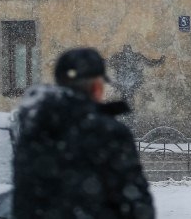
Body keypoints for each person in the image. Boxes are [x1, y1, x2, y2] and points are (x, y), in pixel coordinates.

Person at [11, 47, 154, 219]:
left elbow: (23, 201)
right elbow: (137, 205)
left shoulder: (34, 128)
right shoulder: (109, 133)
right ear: (97, 87)